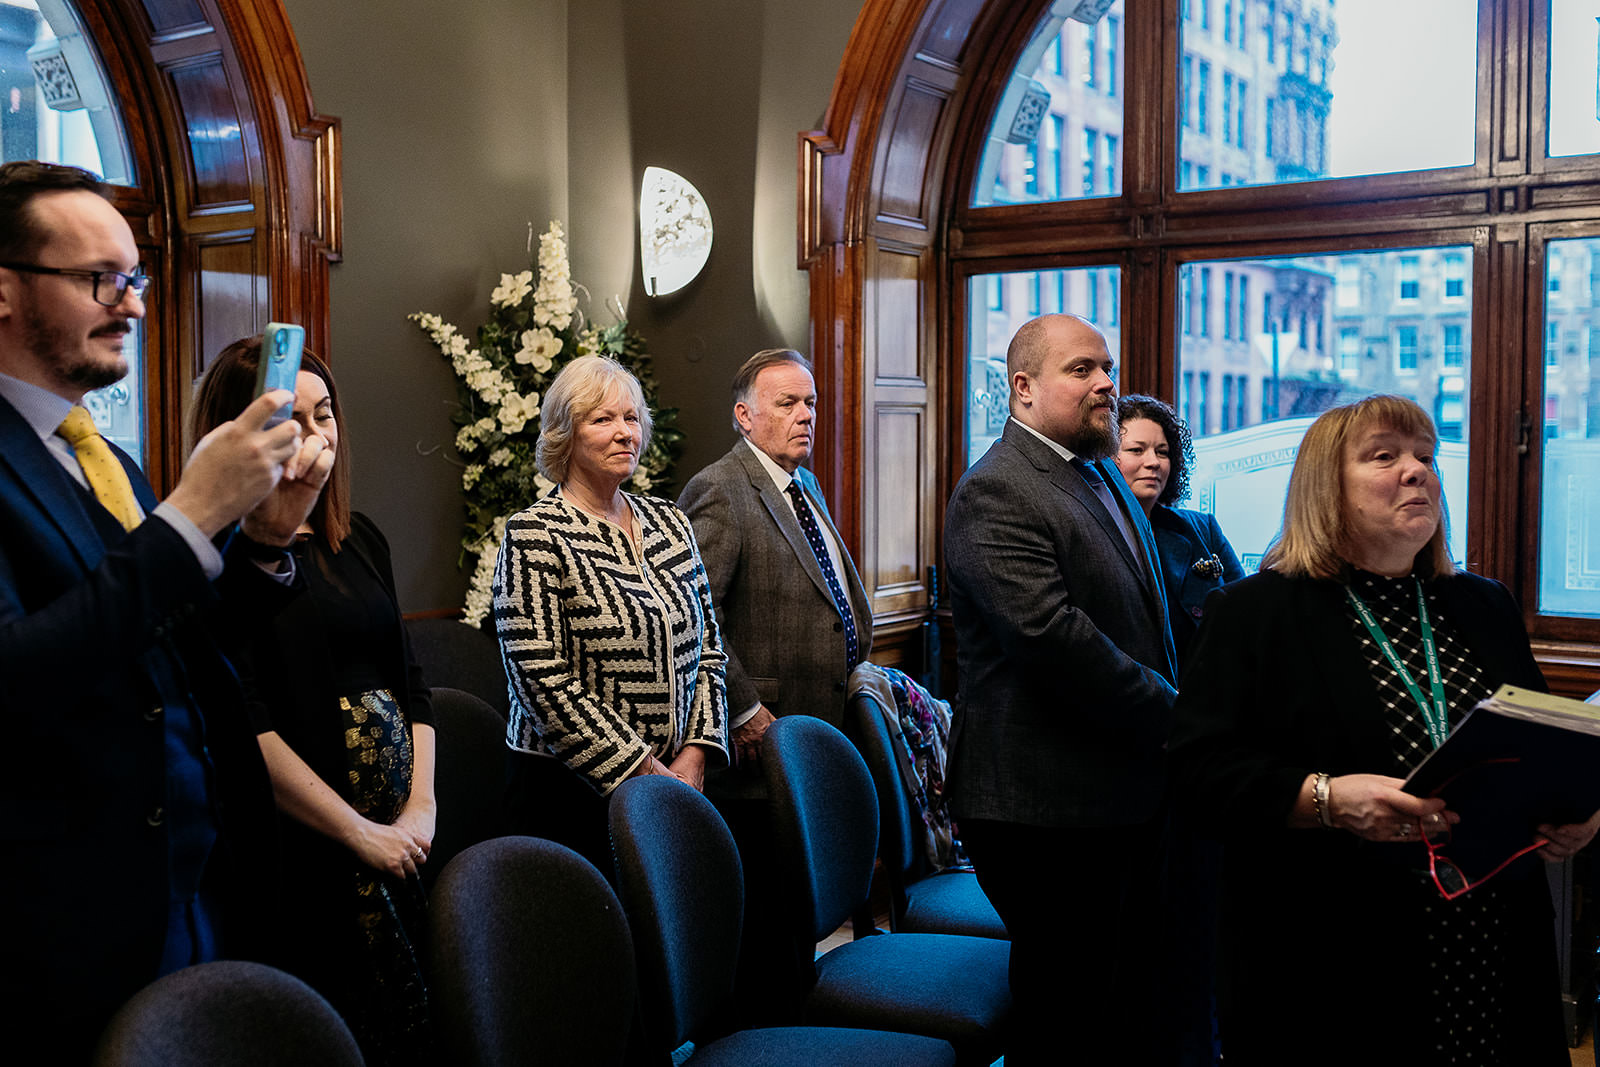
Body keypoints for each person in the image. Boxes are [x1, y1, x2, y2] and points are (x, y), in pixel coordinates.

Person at [1167, 394, 1599, 1064]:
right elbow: (1195, 773)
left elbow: (1544, 740)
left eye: (1425, 456)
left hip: (1493, 933)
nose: (1416, 471)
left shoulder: (1484, 604)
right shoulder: (1251, 613)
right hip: (1335, 950)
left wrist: (1579, 815)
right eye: (1385, 456)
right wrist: (1328, 799)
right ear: (1325, 486)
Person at [0, 160, 317, 1057]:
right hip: (63, 929)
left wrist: (263, 537)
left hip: (192, 893)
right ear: (6, 291)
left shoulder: (102, 453)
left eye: (133, 278)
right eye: (99, 279)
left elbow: (175, 642)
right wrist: (192, 514)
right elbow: (18, 678)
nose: (133, 305)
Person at [191, 339, 435, 1065]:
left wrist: (420, 805)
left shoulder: (361, 539)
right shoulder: (220, 559)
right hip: (302, 853)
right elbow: (246, 720)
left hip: (401, 842)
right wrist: (356, 830)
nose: (315, 436)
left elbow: (412, 683)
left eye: (324, 414)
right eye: (291, 417)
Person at [944, 313, 1178, 1065]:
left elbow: (1142, 617)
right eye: (1082, 369)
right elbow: (1054, 640)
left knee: (1114, 1000)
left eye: (1106, 366)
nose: (1106, 382)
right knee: (1064, 1012)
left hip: (1113, 786)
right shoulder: (996, 489)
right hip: (1040, 803)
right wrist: (1183, 718)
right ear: (1024, 387)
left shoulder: (1099, 467)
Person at [677, 347, 872, 1025]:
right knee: (763, 938)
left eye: (811, 402)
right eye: (787, 402)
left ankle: (799, 1034)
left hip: (812, 743)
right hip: (758, 754)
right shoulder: (721, 488)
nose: (805, 415)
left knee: (798, 925)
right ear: (744, 415)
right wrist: (748, 707)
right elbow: (695, 614)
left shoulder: (803, 484)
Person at [495, 355, 728, 875]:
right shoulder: (534, 535)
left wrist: (695, 753)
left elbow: (711, 645)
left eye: (631, 417)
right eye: (603, 419)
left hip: (678, 781)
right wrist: (642, 770)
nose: (625, 432)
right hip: (569, 796)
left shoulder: (671, 523)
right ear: (565, 435)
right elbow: (542, 683)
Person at [1115, 394, 1244, 665]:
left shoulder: (1202, 528)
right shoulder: (1093, 534)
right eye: (1136, 450)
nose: (1153, 462)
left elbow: (1248, 610)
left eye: (1162, 452)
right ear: (1106, 459)